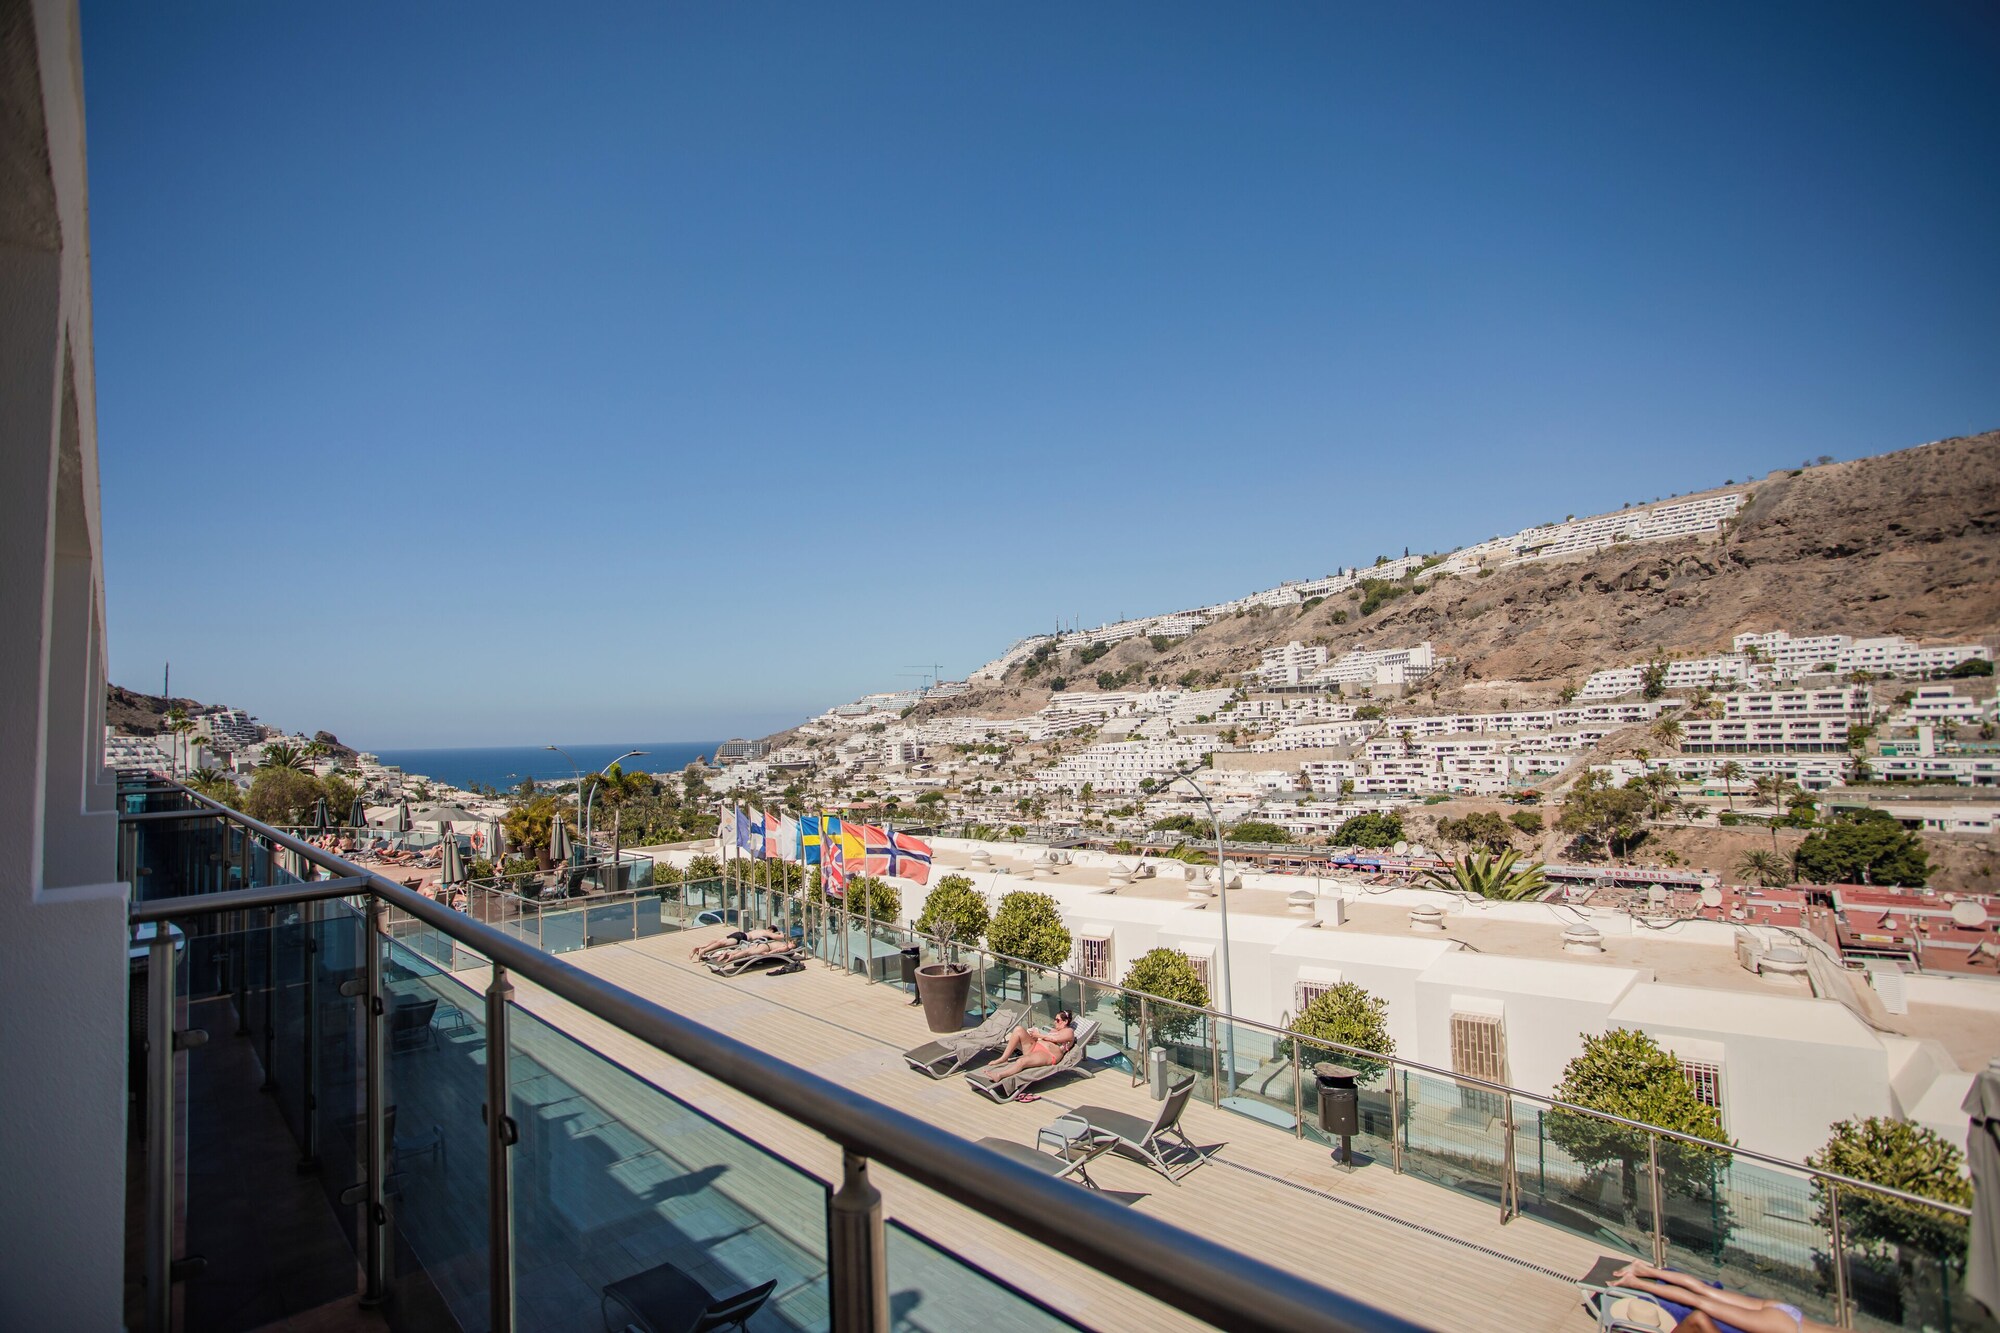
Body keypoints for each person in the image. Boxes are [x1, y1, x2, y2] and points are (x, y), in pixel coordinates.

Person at [1610, 1261, 1833, 1332]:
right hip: (1784, 1326)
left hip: (1791, 1314)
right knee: (1700, 1302)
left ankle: (1643, 1270)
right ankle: (1635, 1282)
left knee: (1704, 1292)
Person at [982, 1010, 1077, 1082]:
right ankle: (1004, 1058)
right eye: (1055, 1020)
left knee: (1021, 1061)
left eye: (1058, 1020)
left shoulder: (1069, 1032)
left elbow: (1054, 1039)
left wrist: (1039, 1035)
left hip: (1047, 1054)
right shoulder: (1054, 1030)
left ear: (1065, 1021)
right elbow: (1046, 1038)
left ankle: (999, 1075)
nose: (1055, 1022)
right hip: (1035, 1046)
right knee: (1018, 1029)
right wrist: (1035, 1036)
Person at [691, 927, 786, 961]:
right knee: (721, 943)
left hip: (740, 933)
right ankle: (703, 951)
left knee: (718, 941)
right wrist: (781, 932)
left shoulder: (760, 930)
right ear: (772, 930)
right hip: (742, 937)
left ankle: (700, 947)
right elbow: (780, 937)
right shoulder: (767, 932)